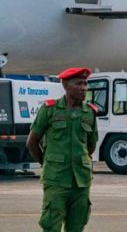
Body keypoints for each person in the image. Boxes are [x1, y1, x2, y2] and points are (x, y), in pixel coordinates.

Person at [26, 67, 98, 232]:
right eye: (78, 84)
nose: (83, 88)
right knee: (51, 225)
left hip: (81, 182)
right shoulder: (49, 110)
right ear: (66, 86)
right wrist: (48, 164)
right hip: (56, 180)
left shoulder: (90, 113)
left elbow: (91, 145)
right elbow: (32, 142)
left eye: (85, 84)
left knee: (77, 226)